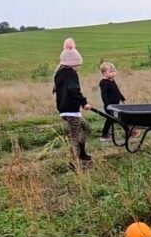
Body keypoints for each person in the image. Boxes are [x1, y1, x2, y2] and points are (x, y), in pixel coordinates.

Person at [53, 38, 92, 168]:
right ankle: (73, 162)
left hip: (65, 109)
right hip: (71, 111)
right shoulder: (71, 74)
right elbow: (73, 90)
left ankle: (82, 154)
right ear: (73, 63)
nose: (79, 66)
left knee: (85, 128)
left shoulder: (59, 74)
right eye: (78, 64)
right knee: (74, 136)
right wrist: (84, 103)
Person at [98, 61, 125, 142]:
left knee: (118, 118)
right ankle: (104, 136)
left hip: (116, 105)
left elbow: (117, 90)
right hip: (109, 106)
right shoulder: (103, 83)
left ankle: (129, 132)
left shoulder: (112, 81)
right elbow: (104, 95)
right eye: (111, 71)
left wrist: (122, 98)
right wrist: (107, 105)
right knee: (110, 120)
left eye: (114, 71)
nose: (113, 73)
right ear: (104, 73)